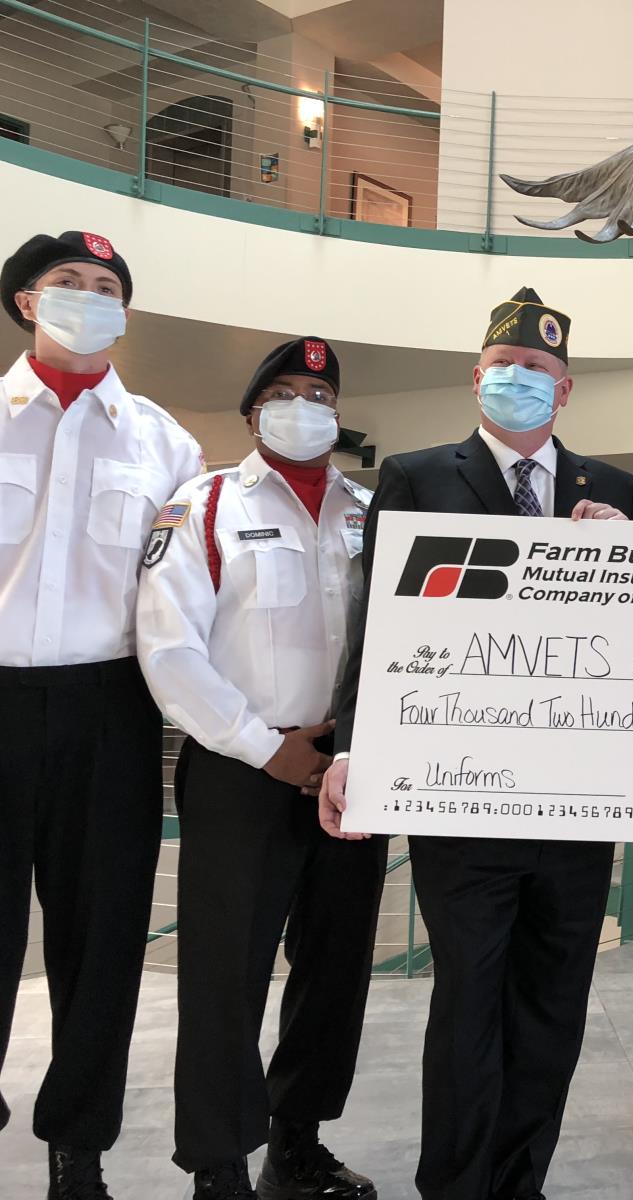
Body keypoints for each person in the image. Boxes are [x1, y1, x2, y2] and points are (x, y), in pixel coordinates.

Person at [317, 287, 633, 1200]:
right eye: (504, 368)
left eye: (537, 371)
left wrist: (620, 560)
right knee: (468, 1002)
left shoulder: (614, 493)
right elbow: (375, 621)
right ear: (475, 379)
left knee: (553, 1005)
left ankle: (520, 1181)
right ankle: (455, 1185)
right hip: (460, 796)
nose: (519, 382)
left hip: (577, 803)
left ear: (567, 390)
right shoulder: (418, 477)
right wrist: (351, 746)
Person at [136, 338, 385, 1200]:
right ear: (253, 414)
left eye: (320, 392)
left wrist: (343, 748)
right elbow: (169, 653)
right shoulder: (201, 506)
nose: (304, 405)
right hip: (243, 769)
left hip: (349, 769)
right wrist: (267, 747)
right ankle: (217, 1165)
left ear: (338, 414)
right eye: (283, 392)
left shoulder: (373, 511)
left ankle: (298, 1143)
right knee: (224, 975)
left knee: (334, 969)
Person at [0, 231, 204, 1200]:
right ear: (27, 302)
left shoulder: (168, 445)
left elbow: (197, 591)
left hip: (112, 710)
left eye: (107, 287)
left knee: (104, 940)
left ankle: (77, 1152)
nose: (89, 297)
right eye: (67, 283)